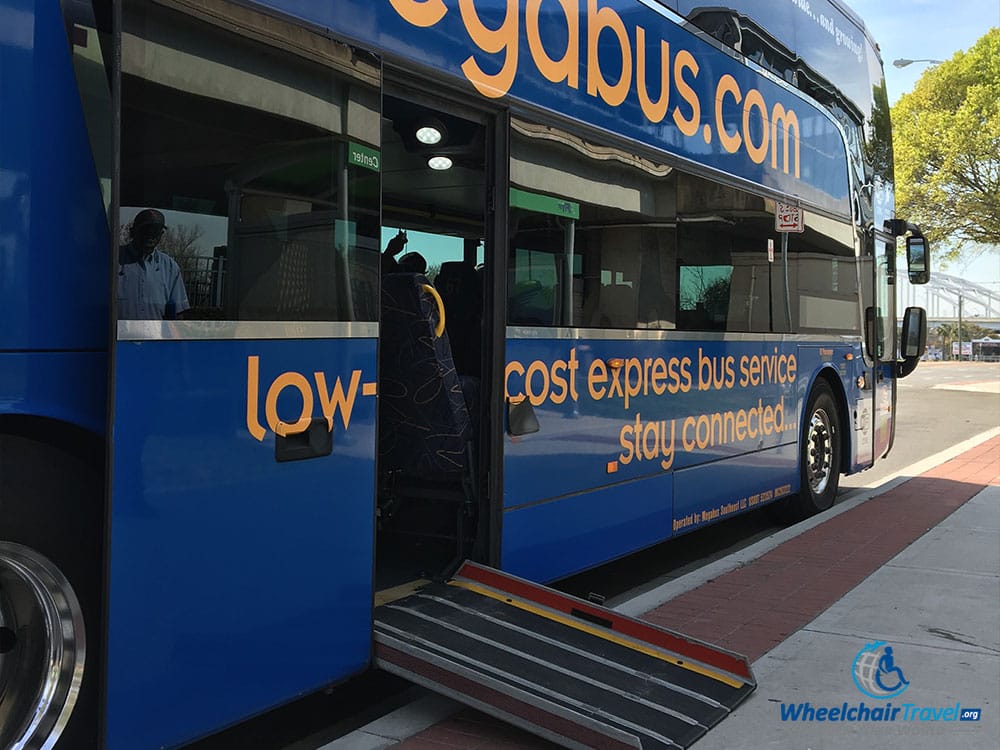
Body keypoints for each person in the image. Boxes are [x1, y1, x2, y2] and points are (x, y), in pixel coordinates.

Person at [117, 208, 190, 320]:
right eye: (145, 230)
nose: (150, 235)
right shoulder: (114, 259)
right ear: (133, 231)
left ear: (161, 234)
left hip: (155, 331)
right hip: (117, 331)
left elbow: (178, 314)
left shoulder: (170, 267)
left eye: (155, 231)